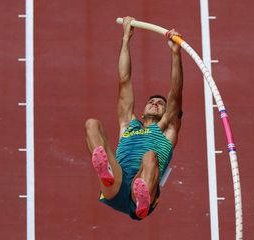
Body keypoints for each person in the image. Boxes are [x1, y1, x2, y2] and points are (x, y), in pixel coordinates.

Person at [85, 16, 183, 220]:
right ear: (142, 111)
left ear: (167, 113)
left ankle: (142, 198)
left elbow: (175, 92)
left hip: (143, 188)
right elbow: (124, 79)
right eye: (152, 101)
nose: (155, 103)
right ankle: (107, 172)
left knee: (150, 157)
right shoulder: (128, 125)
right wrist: (125, 39)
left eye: (160, 104)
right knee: (92, 124)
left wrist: (175, 54)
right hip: (117, 184)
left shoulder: (168, 130)